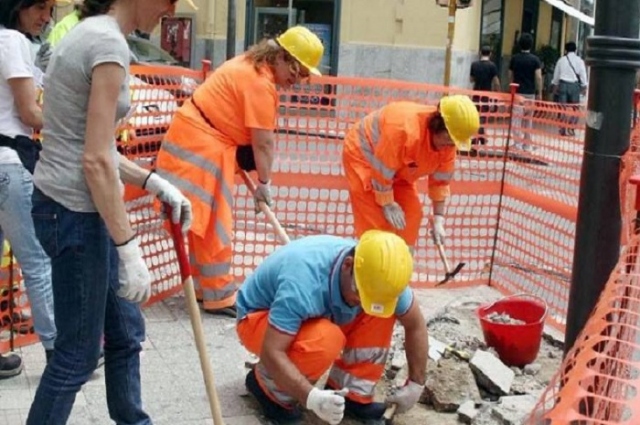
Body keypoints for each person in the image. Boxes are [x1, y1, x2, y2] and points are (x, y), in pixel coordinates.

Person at [25, 0, 194, 421]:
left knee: (125, 332)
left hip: (71, 206)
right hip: (74, 212)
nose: (171, 10)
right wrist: (129, 249)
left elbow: (88, 145)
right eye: (169, 0)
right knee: (77, 356)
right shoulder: (107, 46)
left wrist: (153, 182)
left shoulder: (92, 34)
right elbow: (94, 160)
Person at [155, 26, 324, 317]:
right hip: (203, 148)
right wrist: (264, 183)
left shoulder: (250, 65)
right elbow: (264, 142)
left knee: (199, 221)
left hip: (196, 139)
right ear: (285, 59)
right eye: (298, 74)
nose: (297, 82)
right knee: (214, 225)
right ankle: (219, 295)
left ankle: (202, 288)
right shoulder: (260, 84)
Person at [236, 230, 428, 425]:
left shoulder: (383, 278)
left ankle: (352, 394)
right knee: (325, 339)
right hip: (258, 318)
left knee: (379, 312)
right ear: (347, 265)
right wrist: (310, 397)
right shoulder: (303, 282)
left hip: (312, 313)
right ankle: (269, 391)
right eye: (360, 294)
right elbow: (272, 351)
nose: (362, 302)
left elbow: (416, 325)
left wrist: (416, 384)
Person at [0, 0, 62, 378]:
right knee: (38, 260)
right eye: (39, 6)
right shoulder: (11, 42)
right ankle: (60, 352)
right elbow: (28, 113)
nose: (46, 17)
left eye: (51, 8)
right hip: (9, 162)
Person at [341, 97, 480, 250]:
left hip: (397, 168)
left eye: (454, 142)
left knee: (412, 214)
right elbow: (382, 170)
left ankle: (402, 265)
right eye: (448, 138)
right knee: (379, 225)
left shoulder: (448, 145)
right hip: (365, 156)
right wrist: (387, 203)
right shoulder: (404, 131)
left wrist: (439, 219)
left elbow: (440, 183)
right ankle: (376, 263)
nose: (449, 145)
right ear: (437, 125)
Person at [508, 33, 542, 150]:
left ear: (519, 44)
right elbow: (538, 77)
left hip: (517, 93)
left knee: (516, 118)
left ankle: (517, 144)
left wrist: (511, 89)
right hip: (530, 93)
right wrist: (539, 92)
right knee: (528, 119)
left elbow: (510, 75)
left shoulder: (514, 59)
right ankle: (527, 144)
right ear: (531, 45)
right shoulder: (535, 60)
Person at [552, 41, 588, 136]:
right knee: (575, 107)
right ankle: (571, 127)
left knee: (562, 108)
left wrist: (555, 85)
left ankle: (562, 128)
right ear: (575, 50)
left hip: (563, 84)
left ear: (565, 50)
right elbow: (583, 74)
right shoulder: (579, 61)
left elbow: (556, 74)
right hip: (574, 86)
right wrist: (584, 86)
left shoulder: (561, 60)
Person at [470, 45, 501, 145]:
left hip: (476, 93)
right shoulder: (492, 66)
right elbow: (496, 81)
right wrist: (498, 93)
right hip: (486, 94)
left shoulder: (474, 64)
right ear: (490, 54)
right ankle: (480, 137)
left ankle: (479, 137)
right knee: (483, 116)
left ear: (480, 53)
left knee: (476, 115)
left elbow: (471, 79)